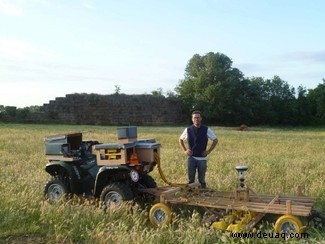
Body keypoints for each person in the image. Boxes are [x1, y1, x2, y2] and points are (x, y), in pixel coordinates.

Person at [179, 111, 218, 189]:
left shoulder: (206, 129)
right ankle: (192, 196)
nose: (196, 119)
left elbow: (215, 140)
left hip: (202, 159)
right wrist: (185, 150)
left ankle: (203, 195)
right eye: (194, 117)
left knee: (202, 180)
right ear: (192, 119)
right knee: (191, 180)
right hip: (191, 158)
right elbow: (180, 139)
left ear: (201, 119)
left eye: (198, 117)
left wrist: (208, 151)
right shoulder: (188, 129)